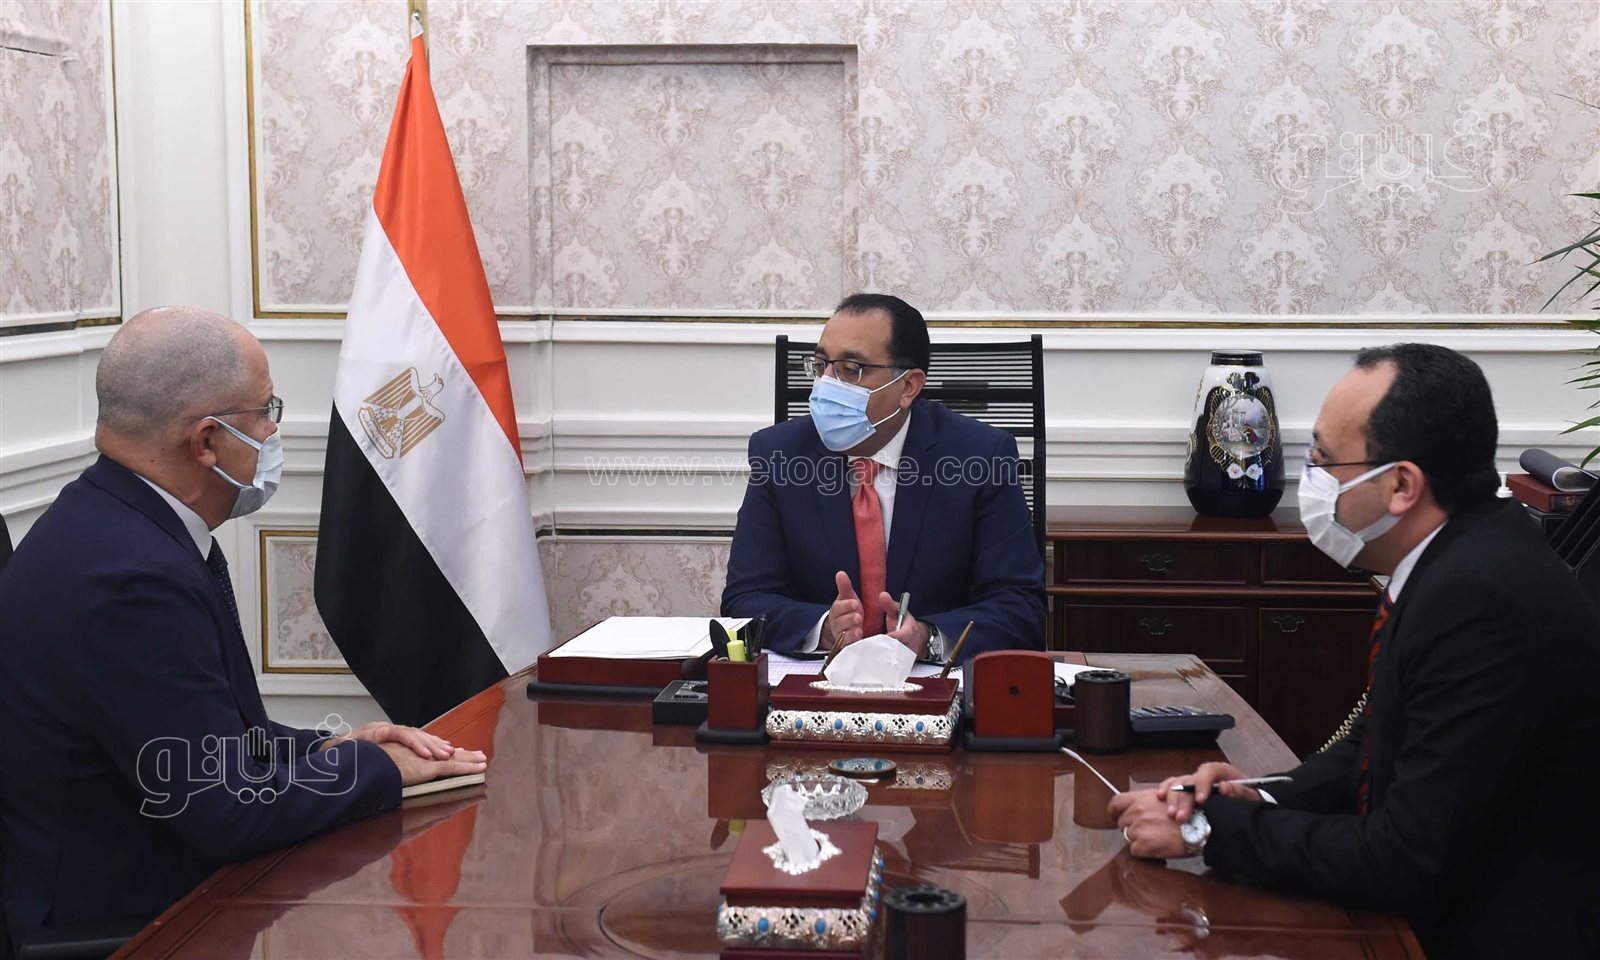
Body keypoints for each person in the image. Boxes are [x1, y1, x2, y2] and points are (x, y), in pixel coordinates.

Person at [0, 308, 488, 951]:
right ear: (206, 442)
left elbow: (207, 739)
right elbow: (228, 810)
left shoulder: (113, 521)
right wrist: (377, 769)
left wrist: (327, 750)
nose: (273, 430)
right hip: (129, 930)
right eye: (265, 411)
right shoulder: (131, 580)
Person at [1110, 343, 1600, 958]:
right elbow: (1375, 745)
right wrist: (1259, 793)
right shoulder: (1460, 556)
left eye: (1324, 459)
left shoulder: (1481, 600)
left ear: (1401, 485)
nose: (1312, 478)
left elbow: (1405, 859)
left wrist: (1209, 830)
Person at [721, 293, 1046, 660]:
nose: (826, 383)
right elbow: (744, 600)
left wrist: (927, 638)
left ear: (908, 387)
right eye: (821, 365)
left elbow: (1021, 608)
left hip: (932, 683)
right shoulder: (779, 455)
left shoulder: (980, 458)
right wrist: (823, 628)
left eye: (851, 369)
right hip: (818, 681)